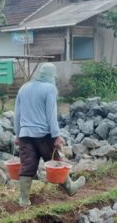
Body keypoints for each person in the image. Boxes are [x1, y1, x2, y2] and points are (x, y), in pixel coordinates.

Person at [13, 62, 84, 206]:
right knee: (55, 162)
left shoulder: (24, 88)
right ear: (51, 76)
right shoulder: (50, 89)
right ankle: (70, 188)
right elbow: (51, 114)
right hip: (43, 135)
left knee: (27, 166)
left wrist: (18, 134)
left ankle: (24, 199)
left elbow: (17, 114)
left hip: (25, 135)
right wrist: (56, 135)